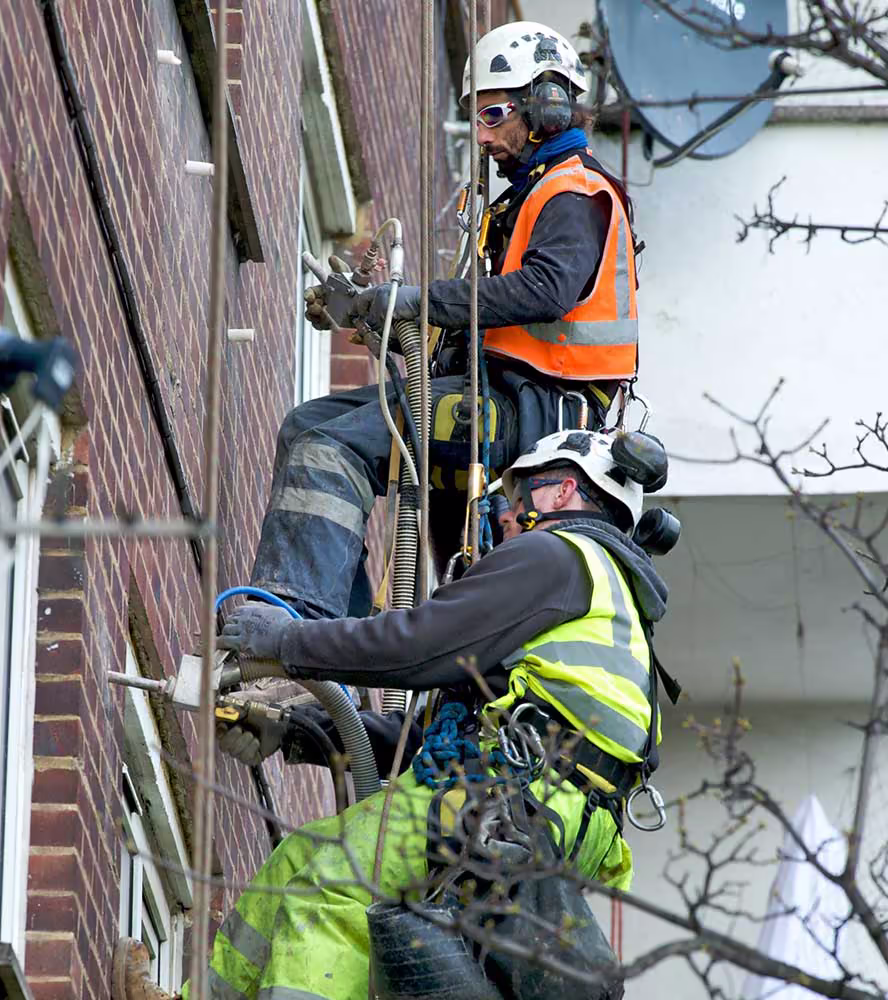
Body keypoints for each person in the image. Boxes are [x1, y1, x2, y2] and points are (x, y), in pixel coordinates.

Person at [183, 428, 674, 1000]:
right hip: (532, 805)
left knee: (335, 885)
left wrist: (289, 641)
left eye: (519, 500)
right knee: (301, 855)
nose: (508, 517)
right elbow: (432, 738)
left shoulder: (556, 557)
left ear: (562, 492)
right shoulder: (604, 608)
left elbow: (416, 645)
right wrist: (294, 731)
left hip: (512, 801)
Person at [253, 20, 643, 621]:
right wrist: (389, 323)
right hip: (501, 394)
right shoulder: (520, 199)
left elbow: (548, 289)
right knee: (307, 425)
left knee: (331, 446)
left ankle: (298, 632)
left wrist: (416, 302)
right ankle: (333, 635)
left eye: (492, 116)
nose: (482, 139)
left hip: (539, 410)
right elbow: (490, 324)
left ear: (546, 104)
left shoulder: (574, 192)